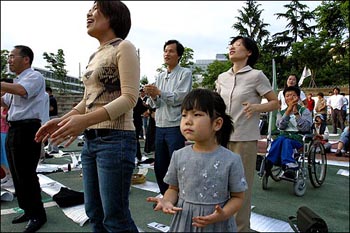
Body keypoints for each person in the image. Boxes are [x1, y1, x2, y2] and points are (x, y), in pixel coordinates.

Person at [35, 1, 140, 232]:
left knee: (115, 218)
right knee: (94, 212)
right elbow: (87, 101)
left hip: (116, 140)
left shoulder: (124, 47)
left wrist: (84, 121)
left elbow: (130, 98)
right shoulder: (95, 55)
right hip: (92, 142)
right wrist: (61, 121)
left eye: (95, 8)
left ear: (113, 15)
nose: (89, 13)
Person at [147, 88, 247, 232]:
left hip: (217, 225)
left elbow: (238, 197)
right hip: (185, 222)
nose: (188, 121)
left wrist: (223, 214)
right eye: (184, 115)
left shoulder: (231, 160)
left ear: (217, 124)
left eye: (197, 114)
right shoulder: (178, 155)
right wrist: (167, 201)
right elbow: (173, 188)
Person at [215, 36, 278, 232]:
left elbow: (276, 102)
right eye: (231, 44)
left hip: (244, 139)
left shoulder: (256, 76)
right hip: (220, 138)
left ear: (249, 52)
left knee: (240, 188)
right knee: (218, 184)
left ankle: (241, 229)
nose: (232, 47)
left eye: (238, 45)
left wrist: (257, 107)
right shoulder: (222, 77)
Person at [1, 45, 47, 232]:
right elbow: (6, 102)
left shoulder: (34, 77)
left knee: (27, 174)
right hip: (14, 129)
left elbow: (21, 91)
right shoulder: (17, 81)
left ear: (26, 59)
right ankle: (28, 210)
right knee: (17, 175)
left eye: (12, 56)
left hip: (28, 129)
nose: (9, 60)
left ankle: (38, 215)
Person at [144, 39, 192, 195]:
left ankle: (180, 194)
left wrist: (158, 93)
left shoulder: (185, 73)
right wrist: (152, 95)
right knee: (160, 164)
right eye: (165, 51)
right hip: (160, 124)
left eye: (171, 51)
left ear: (179, 55)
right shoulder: (160, 76)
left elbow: (180, 98)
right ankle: (165, 194)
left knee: (176, 163)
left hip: (175, 125)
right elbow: (157, 104)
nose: (167, 54)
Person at [266, 86, 312, 178]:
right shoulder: (281, 112)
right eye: (287, 96)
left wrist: (296, 113)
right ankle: (272, 162)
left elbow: (305, 128)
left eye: (293, 95)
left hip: (298, 139)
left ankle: (275, 162)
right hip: (283, 137)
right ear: (285, 99)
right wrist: (288, 112)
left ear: (298, 98)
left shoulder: (304, 111)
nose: (290, 97)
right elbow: (281, 126)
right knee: (281, 139)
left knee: (285, 140)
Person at [1, 78, 13, 184]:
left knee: (7, 155)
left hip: (6, 131)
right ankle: (6, 174)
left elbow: (10, 117)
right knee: (1, 156)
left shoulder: (11, 99)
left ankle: (11, 176)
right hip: (1, 131)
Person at [133, 91, 148, 161]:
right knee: (135, 140)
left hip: (133, 122)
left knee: (134, 140)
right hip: (136, 122)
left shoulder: (136, 99)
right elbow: (144, 110)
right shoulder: (136, 98)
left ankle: (137, 156)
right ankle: (138, 156)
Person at [45, 87, 59, 154]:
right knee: (50, 134)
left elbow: (51, 108)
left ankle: (54, 148)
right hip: (51, 117)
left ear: (48, 92)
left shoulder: (51, 99)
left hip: (52, 117)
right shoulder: (51, 99)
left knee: (52, 134)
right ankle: (51, 148)